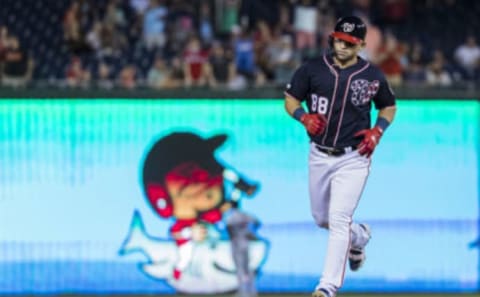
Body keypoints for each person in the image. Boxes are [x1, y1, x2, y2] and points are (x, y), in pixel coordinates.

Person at [284, 16, 397, 297]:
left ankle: (327, 286)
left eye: (348, 42)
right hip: (319, 154)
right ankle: (360, 237)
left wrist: (378, 131)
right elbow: (290, 100)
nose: (342, 46)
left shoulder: (372, 74)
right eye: (338, 39)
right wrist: (302, 117)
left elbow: (389, 107)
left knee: (337, 218)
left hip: (354, 156)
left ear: (359, 44)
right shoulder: (312, 69)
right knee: (322, 218)